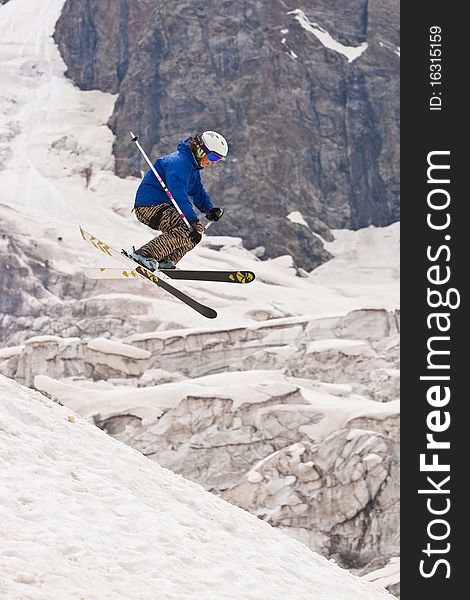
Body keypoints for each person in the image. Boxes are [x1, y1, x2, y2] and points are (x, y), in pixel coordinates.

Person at [127, 131, 228, 271]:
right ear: (200, 150)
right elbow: (179, 195)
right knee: (187, 228)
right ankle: (145, 255)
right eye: (212, 156)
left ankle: (166, 260)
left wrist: (209, 209)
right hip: (149, 206)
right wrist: (191, 219)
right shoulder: (178, 163)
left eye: (217, 159)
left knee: (196, 232)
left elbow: (197, 191)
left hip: (163, 208)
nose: (212, 162)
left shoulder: (192, 168)